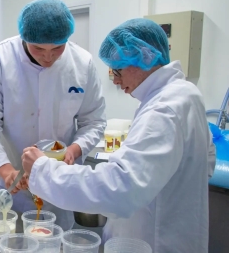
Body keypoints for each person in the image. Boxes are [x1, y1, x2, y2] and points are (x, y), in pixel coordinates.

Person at [22, 18, 216, 252]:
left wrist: (43, 169)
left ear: (144, 58)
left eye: (118, 70)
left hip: (155, 241)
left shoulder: (164, 109)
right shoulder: (186, 94)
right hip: (174, 233)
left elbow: (119, 188)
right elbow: (207, 163)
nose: (114, 80)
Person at [0, 0, 106, 230]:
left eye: (57, 48)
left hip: (57, 181)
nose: (48, 57)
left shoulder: (82, 63)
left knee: (53, 240)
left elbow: (93, 121)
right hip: (10, 183)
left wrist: (75, 149)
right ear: (25, 38)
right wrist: (7, 172)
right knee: (5, 239)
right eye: (39, 48)